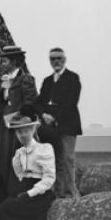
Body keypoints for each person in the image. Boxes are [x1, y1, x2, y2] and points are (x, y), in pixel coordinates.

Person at [36, 48, 82, 198]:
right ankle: (57, 194)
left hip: (67, 125)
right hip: (49, 128)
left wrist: (54, 118)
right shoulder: (47, 81)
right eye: (53, 59)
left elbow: (71, 102)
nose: (56, 61)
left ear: (64, 60)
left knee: (67, 159)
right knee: (54, 160)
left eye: (59, 58)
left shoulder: (73, 78)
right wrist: (43, 114)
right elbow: (39, 102)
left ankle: (70, 194)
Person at [0, 46, 37, 193]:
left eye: (4, 61)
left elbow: (30, 102)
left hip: (18, 125)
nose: (1, 64)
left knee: (16, 157)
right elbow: (3, 102)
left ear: (14, 62)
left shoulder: (26, 78)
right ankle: (2, 190)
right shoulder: (3, 80)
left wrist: (18, 117)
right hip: (5, 124)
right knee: (3, 157)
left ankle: (17, 191)